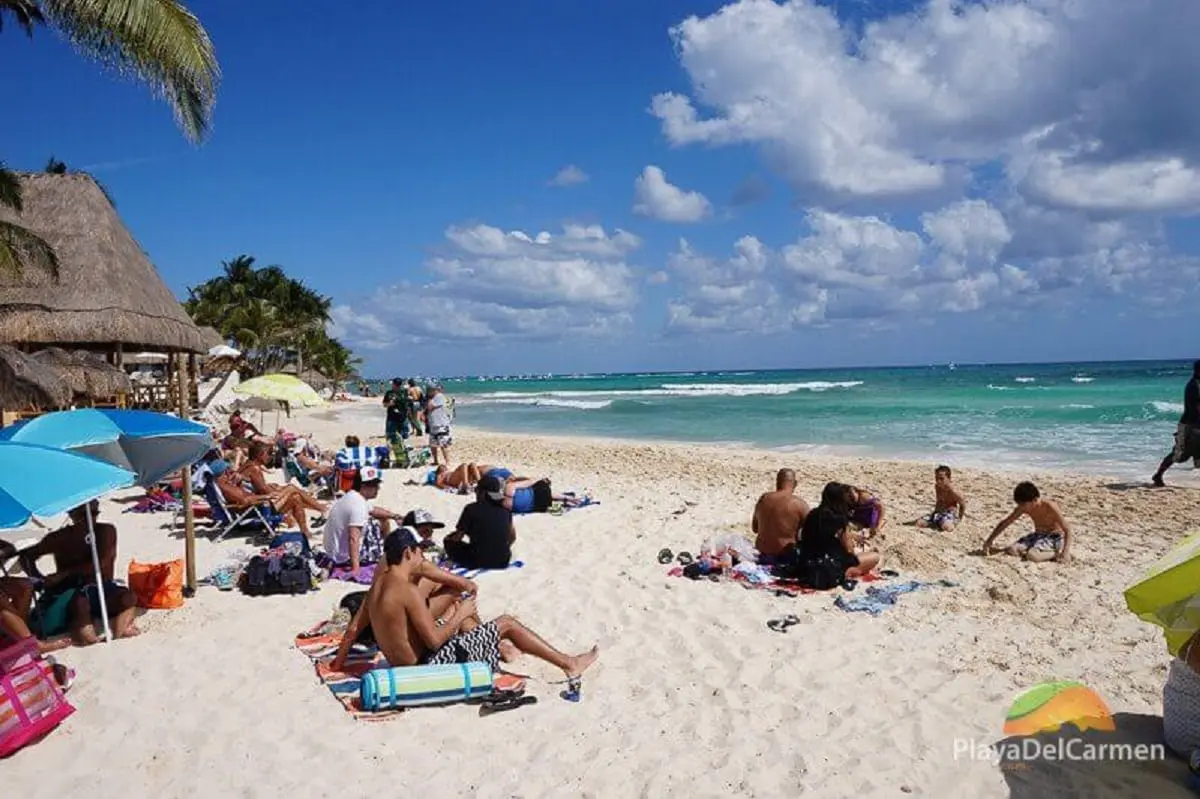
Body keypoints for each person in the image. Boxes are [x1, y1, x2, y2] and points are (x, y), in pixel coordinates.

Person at [331, 529, 599, 679]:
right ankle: (568, 664)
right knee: (505, 622)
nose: (421, 559)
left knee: (462, 616)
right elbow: (435, 642)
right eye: (418, 554)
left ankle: (496, 646)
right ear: (407, 553)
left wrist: (338, 664)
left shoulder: (378, 585)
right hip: (424, 665)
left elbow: (354, 629)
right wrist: (459, 615)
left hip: (399, 661)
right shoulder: (407, 591)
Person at [18, 501, 140, 645]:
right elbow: (26, 557)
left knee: (128, 597)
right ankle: (87, 634)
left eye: (94, 513)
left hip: (102, 587)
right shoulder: (60, 537)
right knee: (81, 607)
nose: (90, 518)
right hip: (74, 592)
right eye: (83, 514)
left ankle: (119, 631)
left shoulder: (105, 531)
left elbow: (101, 562)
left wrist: (63, 574)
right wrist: (39, 580)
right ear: (71, 514)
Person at [322, 466, 404, 579]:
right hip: (343, 557)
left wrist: (395, 516)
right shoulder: (358, 505)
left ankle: (387, 549)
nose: (378, 488)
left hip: (333, 551)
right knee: (379, 523)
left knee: (381, 518)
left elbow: (373, 510)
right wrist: (356, 569)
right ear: (363, 486)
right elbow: (353, 538)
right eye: (374, 485)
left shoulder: (352, 496)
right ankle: (387, 551)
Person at [794, 482, 881, 587]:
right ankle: (849, 573)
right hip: (827, 569)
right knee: (874, 557)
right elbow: (849, 550)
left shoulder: (813, 514)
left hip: (806, 565)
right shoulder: (838, 518)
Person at [982, 481, 1072, 563]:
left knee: (1032, 556)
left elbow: (1067, 529)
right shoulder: (1023, 507)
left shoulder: (1050, 506)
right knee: (1012, 549)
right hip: (1037, 535)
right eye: (1020, 504)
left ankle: (1055, 553)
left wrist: (1066, 552)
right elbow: (1006, 522)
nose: (1021, 507)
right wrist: (990, 540)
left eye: (1023, 504)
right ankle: (1033, 551)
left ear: (1034, 500)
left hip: (1053, 537)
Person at [443, 474, 515, 569]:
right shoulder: (505, 510)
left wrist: (449, 538)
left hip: (478, 560)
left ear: (483, 493)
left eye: (477, 491)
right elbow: (512, 537)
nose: (476, 494)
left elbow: (458, 537)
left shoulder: (471, 509)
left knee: (448, 541)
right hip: (503, 561)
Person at [1153, 360, 1200, 487]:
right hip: (1189, 425)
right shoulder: (1194, 386)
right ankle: (1158, 475)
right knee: (1179, 455)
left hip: (1195, 425)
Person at [752, 468, 810, 564]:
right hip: (786, 558)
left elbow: (755, 529)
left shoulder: (764, 498)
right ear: (795, 483)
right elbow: (811, 534)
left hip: (762, 556)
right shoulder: (799, 504)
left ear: (777, 482)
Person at [914, 465, 965, 532]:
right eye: (936, 478)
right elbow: (939, 500)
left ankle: (949, 522)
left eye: (941, 478)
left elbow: (962, 504)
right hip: (937, 512)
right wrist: (935, 512)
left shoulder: (953, 491)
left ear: (949, 478)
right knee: (919, 523)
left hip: (948, 513)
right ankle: (936, 522)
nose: (938, 481)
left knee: (947, 527)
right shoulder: (937, 487)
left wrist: (959, 518)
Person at [426, 385, 453, 466]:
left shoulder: (439, 397)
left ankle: (447, 461)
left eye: (429, 390)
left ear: (434, 390)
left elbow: (430, 407)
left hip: (441, 425)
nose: (427, 392)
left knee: (443, 445)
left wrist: (429, 399)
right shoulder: (435, 398)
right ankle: (435, 461)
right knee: (433, 445)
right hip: (434, 424)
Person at [383, 378, 409, 444]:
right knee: (390, 436)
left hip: (402, 418)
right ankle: (391, 449)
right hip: (392, 418)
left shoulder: (404, 392)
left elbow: (407, 404)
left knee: (402, 436)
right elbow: (384, 404)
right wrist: (390, 404)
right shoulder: (389, 393)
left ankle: (400, 449)